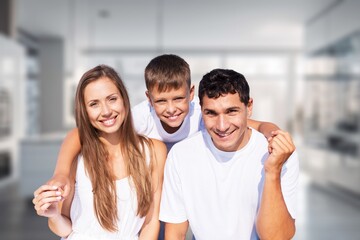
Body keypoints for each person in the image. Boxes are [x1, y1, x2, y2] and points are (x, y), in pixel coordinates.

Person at [39, 54, 280, 239]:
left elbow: (249, 123)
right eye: (94, 103)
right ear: (148, 100)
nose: (171, 108)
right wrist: (60, 173)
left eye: (112, 99)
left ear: (191, 95)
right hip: (157, 180)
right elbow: (82, 134)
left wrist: (272, 134)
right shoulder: (142, 117)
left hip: (170, 182)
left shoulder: (200, 115)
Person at [159, 68, 299, 240]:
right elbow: (175, 233)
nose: (222, 126)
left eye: (231, 111)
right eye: (211, 113)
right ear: (201, 111)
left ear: (249, 107)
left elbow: (277, 237)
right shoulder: (181, 155)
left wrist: (273, 171)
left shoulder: (279, 154)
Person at [32, 65, 167, 240]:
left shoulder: (154, 151)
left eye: (112, 99)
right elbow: (65, 229)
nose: (106, 111)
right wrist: (53, 215)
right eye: (94, 104)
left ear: (124, 100)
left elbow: (151, 222)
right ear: (85, 111)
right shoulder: (79, 153)